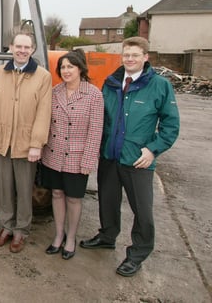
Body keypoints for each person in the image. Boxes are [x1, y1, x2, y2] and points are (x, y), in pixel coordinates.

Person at [80, 37, 180, 277]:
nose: (130, 59)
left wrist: (152, 149)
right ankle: (107, 236)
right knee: (108, 201)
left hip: (138, 159)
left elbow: (171, 124)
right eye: (126, 55)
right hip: (110, 155)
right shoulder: (111, 82)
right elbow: (101, 118)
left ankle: (137, 254)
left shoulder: (159, 86)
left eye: (135, 55)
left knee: (142, 211)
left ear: (146, 57)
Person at [0, 32, 52, 253]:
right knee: (3, 188)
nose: (22, 50)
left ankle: (21, 230)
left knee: (23, 189)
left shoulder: (42, 76)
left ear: (32, 49)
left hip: (25, 143)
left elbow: (44, 111)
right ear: (11, 47)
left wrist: (36, 143)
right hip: (2, 140)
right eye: (18, 46)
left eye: (26, 47)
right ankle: (6, 227)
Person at [40, 50, 104, 260]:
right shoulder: (55, 91)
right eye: (63, 67)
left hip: (77, 157)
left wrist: (88, 160)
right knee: (57, 194)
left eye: (70, 67)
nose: (66, 71)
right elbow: (47, 123)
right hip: (54, 154)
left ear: (80, 69)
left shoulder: (93, 94)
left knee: (74, 199)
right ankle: (58, 235)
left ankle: (71, 238)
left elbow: (95, 131)